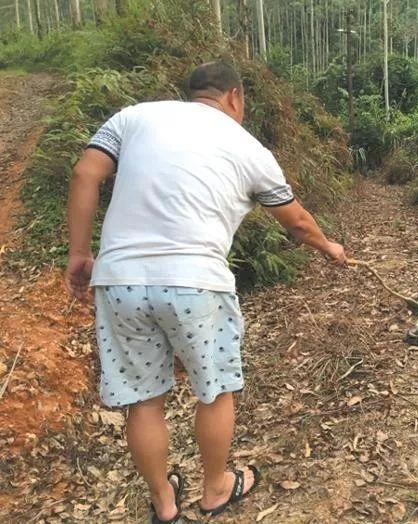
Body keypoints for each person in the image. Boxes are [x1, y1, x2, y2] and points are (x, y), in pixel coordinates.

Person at [65, 60, 347, 523]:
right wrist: (329, 246)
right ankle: (215, 487)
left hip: (119, 280)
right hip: (197, 282)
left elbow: (85, 174)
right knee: (214, 392)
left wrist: (79, 252)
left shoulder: (134, 118)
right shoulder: (248, 147)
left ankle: (164, 502)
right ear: (234, 97)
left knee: (143, 399)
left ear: (191, 93)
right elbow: (296, 221)